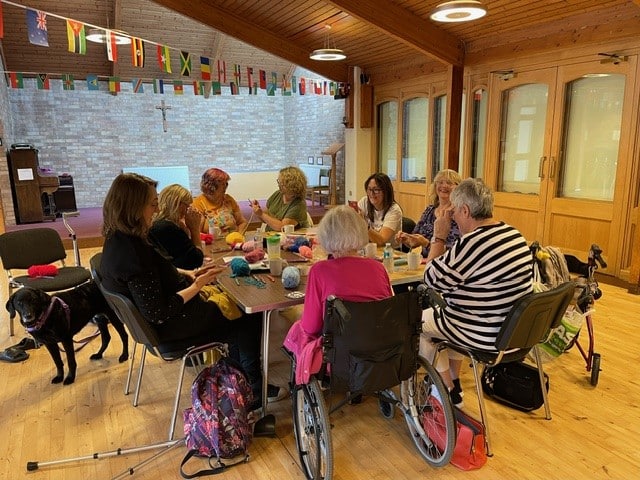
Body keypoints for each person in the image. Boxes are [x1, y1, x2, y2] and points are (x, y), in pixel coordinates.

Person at [100, 173, 283, 408]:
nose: (155, 211)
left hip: (162, 322)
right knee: (247, 312)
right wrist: (197, 286)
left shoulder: (117, 240)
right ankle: (253, 389)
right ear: (133, 208)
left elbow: (155, 279)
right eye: (152, 205)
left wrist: (187, 275)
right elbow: (158, 312)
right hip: (170, 325)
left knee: (236, 302)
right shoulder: (134, 254)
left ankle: (240, 381)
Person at [420, 178, 532, 407]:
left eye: (454, 212)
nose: (452, 218)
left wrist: (439, 236)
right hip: (513, 332)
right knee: (452, 312)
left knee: (414, 323)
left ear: (465, 210)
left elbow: (430, 279)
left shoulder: (473, 243)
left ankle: (445, 390)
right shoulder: (514, 235)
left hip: (485, 334)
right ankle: (454, 381)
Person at [283, 205, 393, 384]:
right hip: (377, 349)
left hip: (337, 356)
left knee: (299, 329)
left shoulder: (319, 271)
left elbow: (311, 326)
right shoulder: (378, 268)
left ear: (326, 236)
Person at [396, 169, 462, 257]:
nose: (444, 186)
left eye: (449, 183)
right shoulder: (429, 210)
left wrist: (426, 243)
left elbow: (454, 253)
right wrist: (406, 239)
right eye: (440, 182)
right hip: (424, 262)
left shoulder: (459, 215)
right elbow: (414, 240)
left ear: (458, 188)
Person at [149, 184, 204, 270]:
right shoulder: (167, 228)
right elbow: (196, 260)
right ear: (177, 203)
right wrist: (195, 230)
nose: (188, 209)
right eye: (187, 205)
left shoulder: (160, 223)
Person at [250, 166, 310, 231]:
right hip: (271, 236)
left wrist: (261, 214)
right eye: (279, 182)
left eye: (282, 183)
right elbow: (266, 219)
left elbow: (282, 228)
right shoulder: (277, 194)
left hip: (288, 239)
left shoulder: (298, 204)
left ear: (291, 185)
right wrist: (258, 210)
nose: (279, 185)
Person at [192, 168, 248, 234]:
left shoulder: (228, 200)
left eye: (226, 184)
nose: (225, 187)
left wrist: (238, 235)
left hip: (233, 241)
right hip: (211, 243)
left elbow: (242, 222)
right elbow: (196, 233)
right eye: (222, 184)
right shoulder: (198, 203)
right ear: (211, 186)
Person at [355, 173, 402, 248]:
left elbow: (381, 241)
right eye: (369, 189)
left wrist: (363, 224)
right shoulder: (364, 202)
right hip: (368, 248)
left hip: (389, 253)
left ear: (386, 191)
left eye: (376, 190)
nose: (371, 193)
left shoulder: (394, 210)